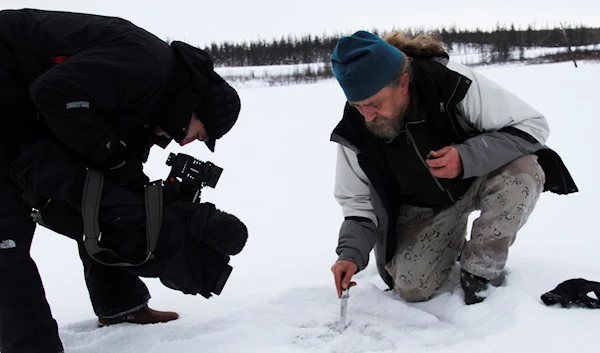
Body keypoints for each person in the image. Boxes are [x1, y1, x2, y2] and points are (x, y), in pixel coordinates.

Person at [0, 8, 241, 353]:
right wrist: (112, 156)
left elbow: (115, 177)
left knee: (104, 198)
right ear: (195, 106)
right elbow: (54, 91)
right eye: (201, 134)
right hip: (11, 86)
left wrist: (126, 174)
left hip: (25, 104)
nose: (188, 142)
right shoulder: (147, 65)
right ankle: (31, 345)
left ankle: (121, 305)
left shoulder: (156, 101)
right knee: (7, 228)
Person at [328, 30, 578, 306]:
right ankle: (449, 241)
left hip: (478, 179)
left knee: (523, 172)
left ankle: (480, 272)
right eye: (358, 105)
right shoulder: (356, 128)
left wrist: (466, 157)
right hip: (422, 210)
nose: (368, 116)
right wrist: (350, 254)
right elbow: (357, 202)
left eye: (375, 103)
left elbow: (533, 126)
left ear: (403, 83)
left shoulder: (450, 82)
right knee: (412, 287)